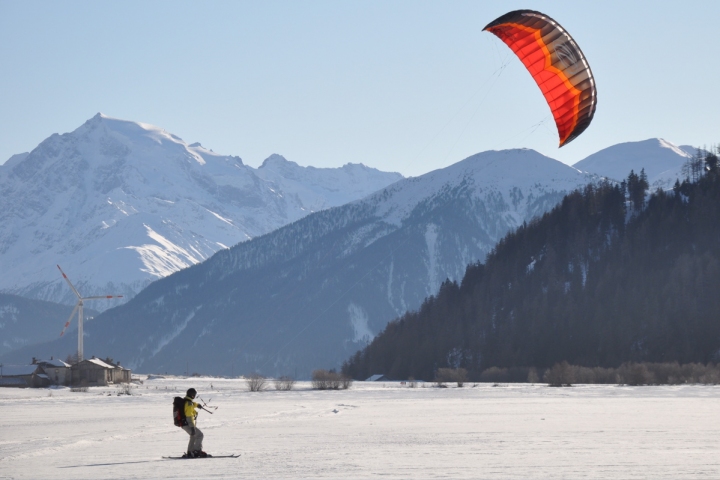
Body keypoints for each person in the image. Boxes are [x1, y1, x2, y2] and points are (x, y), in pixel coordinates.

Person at [182, 388, 209, 458]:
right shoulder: (189, 404)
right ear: (192, 395)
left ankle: (190, 452)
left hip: (184, 424)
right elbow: (189, 416)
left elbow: (193, 404)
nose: (194, 396)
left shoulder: (186, 401)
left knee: (193, 436)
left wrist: (197, 405)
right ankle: (197, 451)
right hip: (188, 424)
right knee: (200, 435)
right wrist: (192, 427)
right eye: (194, 395)